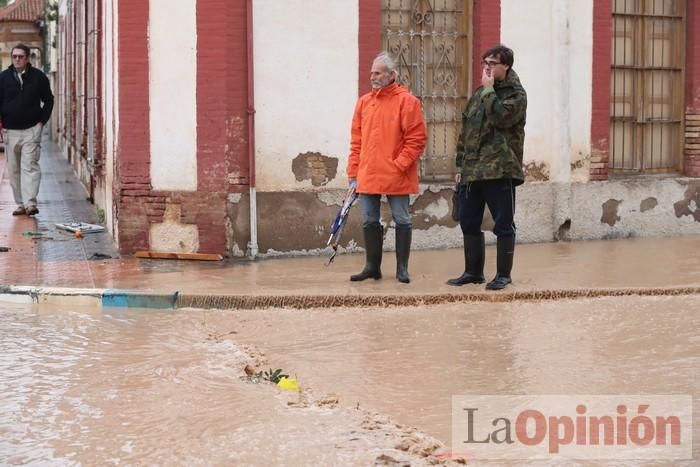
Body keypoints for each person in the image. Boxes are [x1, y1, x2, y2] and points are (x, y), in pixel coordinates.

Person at [447, 45, 527, 290]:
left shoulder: (515, 95)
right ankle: (473, 272)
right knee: (468, 222)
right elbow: (466, 132)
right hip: (473, 172)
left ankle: (503, 275)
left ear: (506, 66)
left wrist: (490, 90)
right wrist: (460, 165)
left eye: (492, 63)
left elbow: (501, 118)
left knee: (503, 224)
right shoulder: (480, 94)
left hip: (500, 170)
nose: (487, 68)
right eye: (484, 63)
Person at [346, 52, 427, 284]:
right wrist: (354, 172)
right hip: (368, 173)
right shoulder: (364, 103)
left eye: (378, 72)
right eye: (371, 72)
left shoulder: (407, 101)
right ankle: (372, 267)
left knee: (402, 220)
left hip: (396, 174)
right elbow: (356, 140)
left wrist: (399, 164)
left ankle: (402, 268)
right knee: (369, 221)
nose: (372, 76)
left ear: (392, 75)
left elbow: (417, 139)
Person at [0, 44, 54, 216]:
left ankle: (30, 203)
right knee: (14, 170)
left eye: (20, 56)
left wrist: (41, 123)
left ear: (27, 58)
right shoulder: (3, 78)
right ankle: (20, 204)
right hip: (10, 130)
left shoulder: (38, 77)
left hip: (32, 129)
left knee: (30, 166)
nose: (17, 59)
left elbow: (49, 100)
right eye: (14, 56)